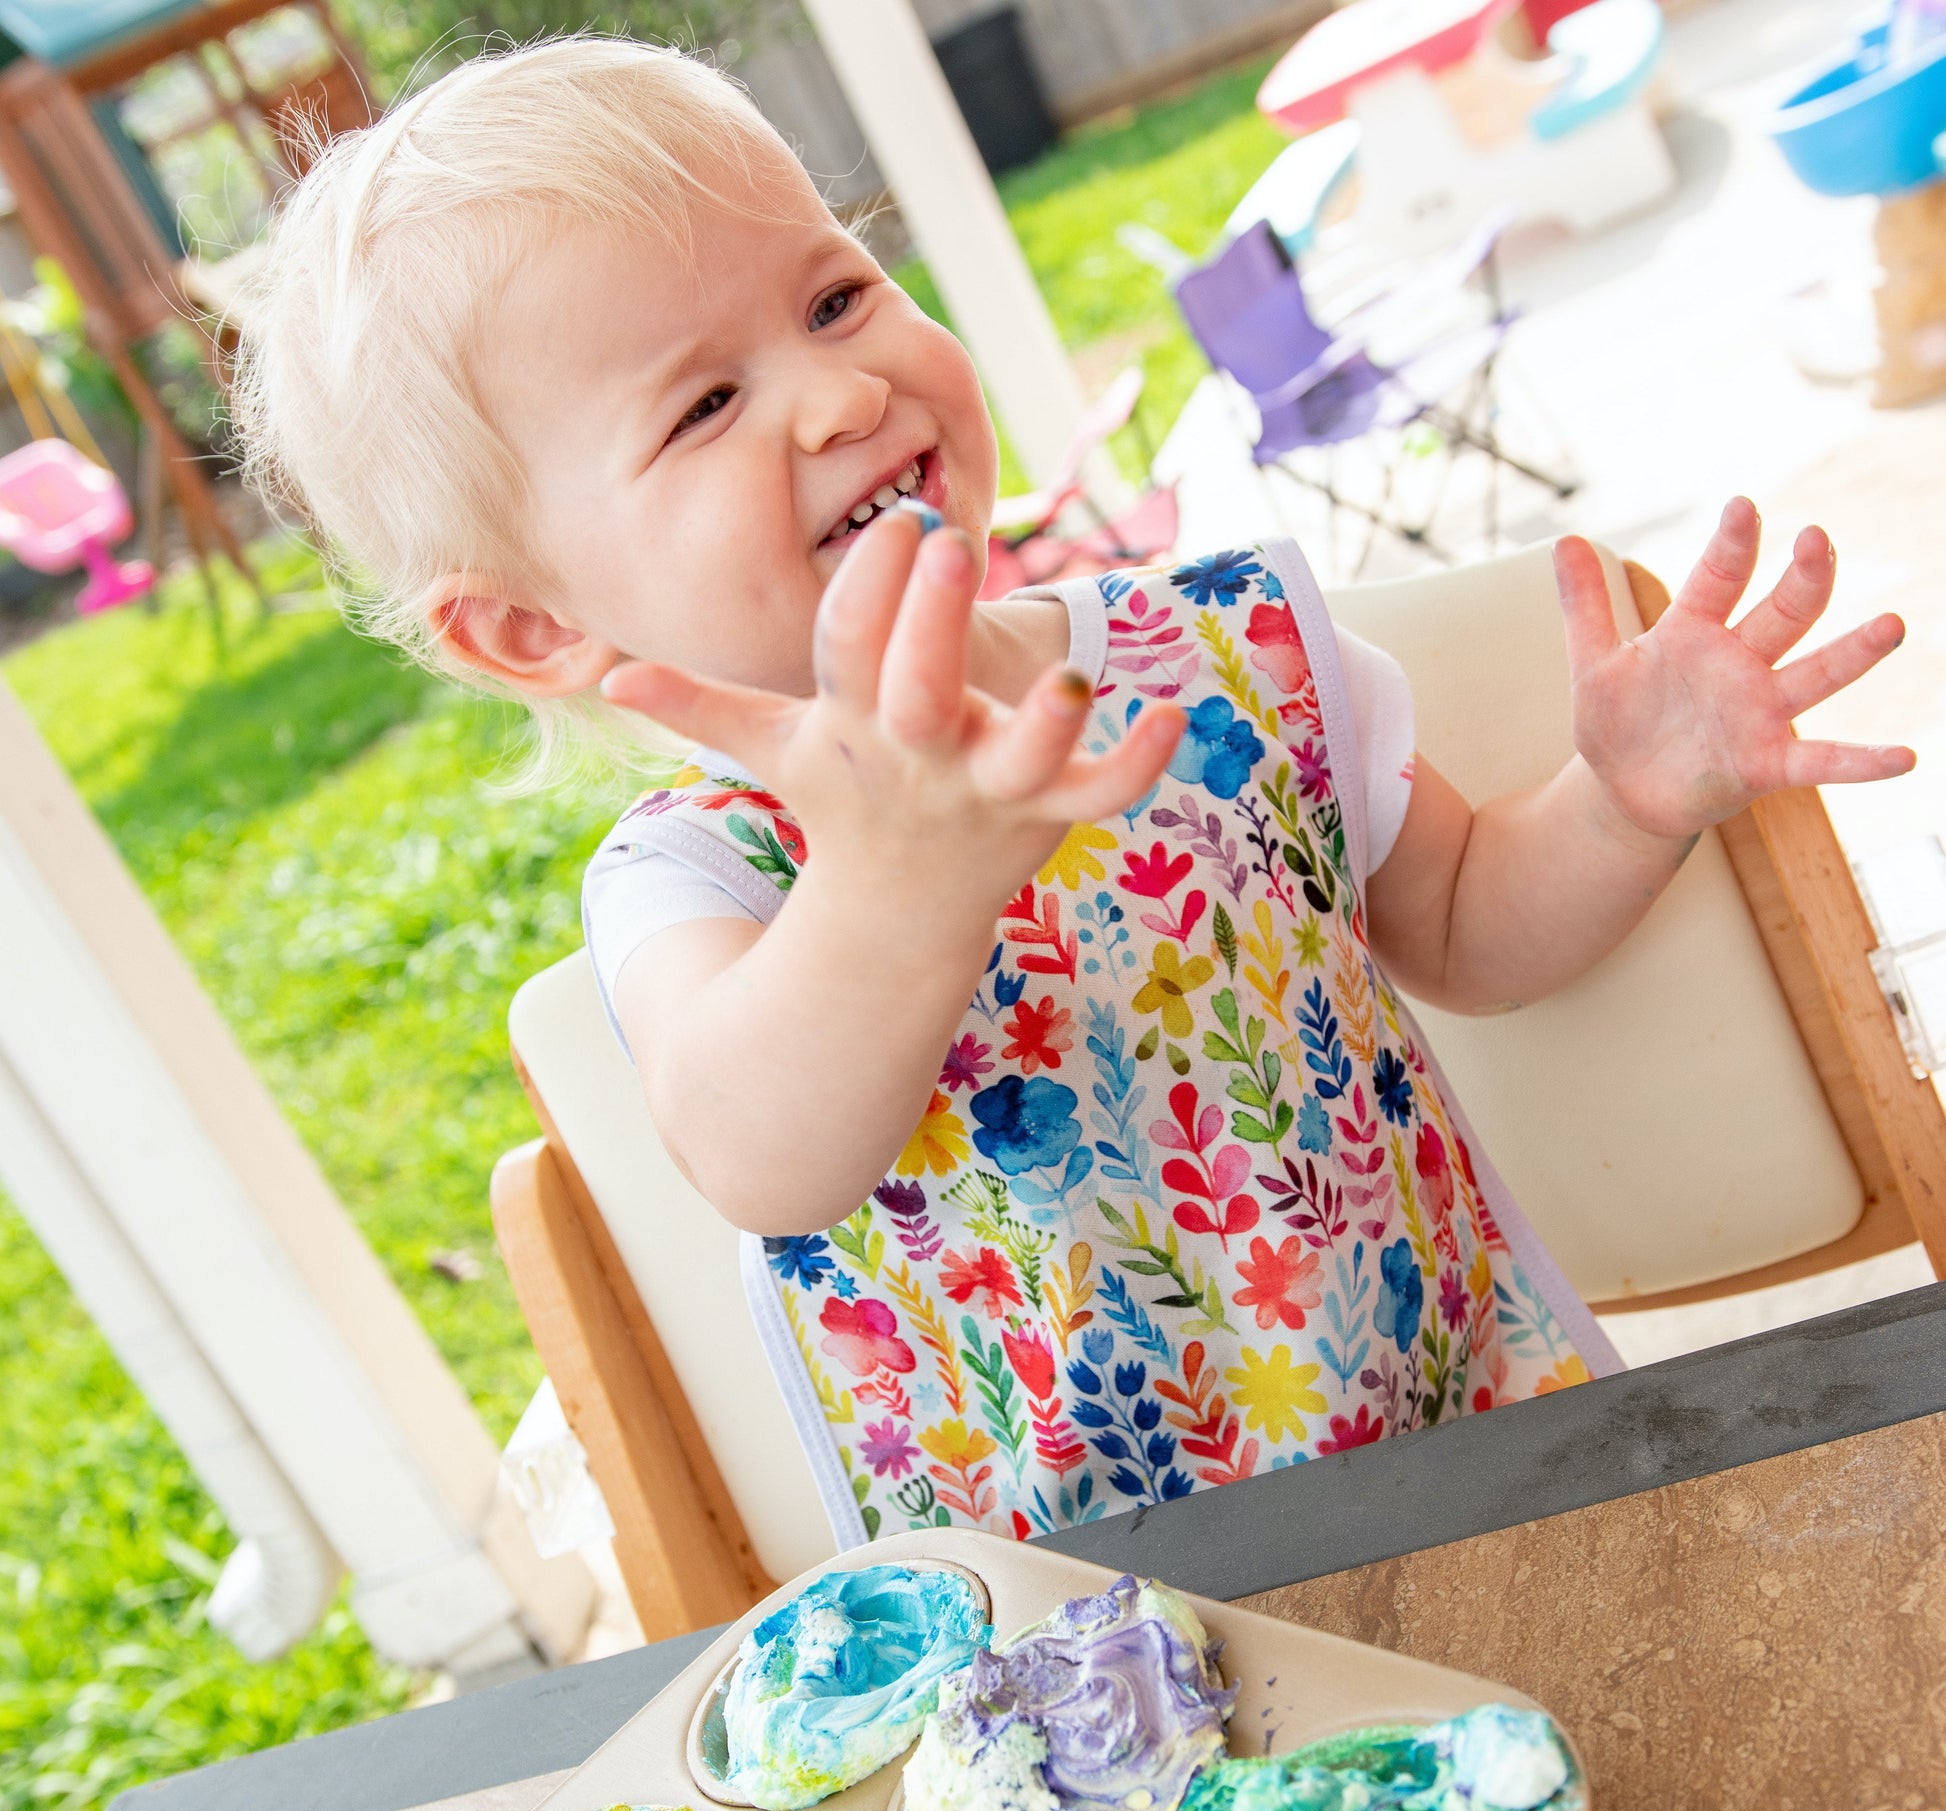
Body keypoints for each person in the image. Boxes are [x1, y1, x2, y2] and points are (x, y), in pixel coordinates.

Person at [234, 37, 1914, 1543]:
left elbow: (1467, 927)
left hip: (1467, 1443)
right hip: (1094, 1629)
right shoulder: (701, 875)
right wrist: (893, 877)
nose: (839, 393)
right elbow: (761, 1155)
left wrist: (1623, 797)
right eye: (705, 403)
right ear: (534, 625)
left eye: (832, 299)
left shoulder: (1230, 652)